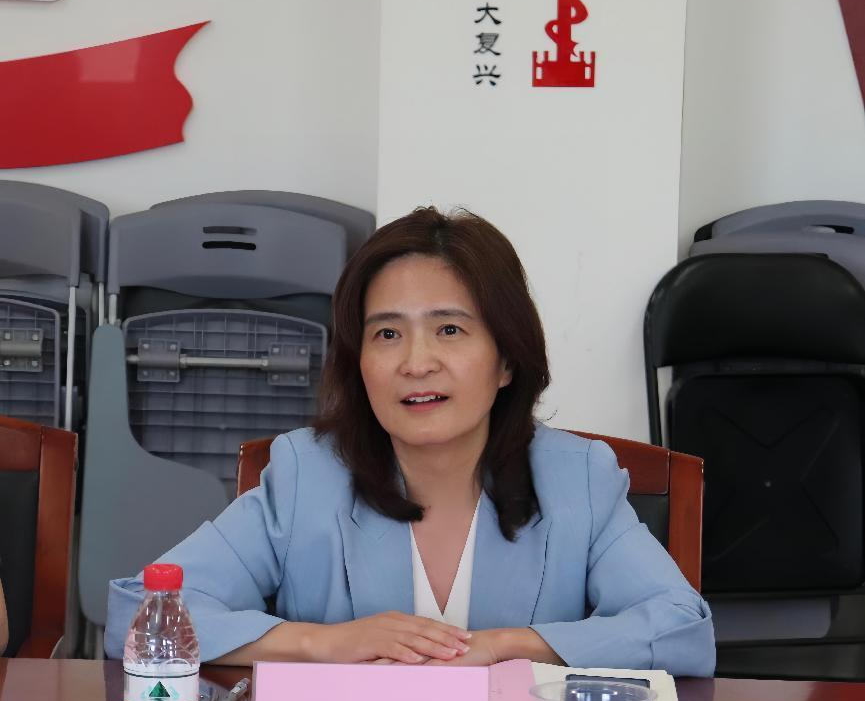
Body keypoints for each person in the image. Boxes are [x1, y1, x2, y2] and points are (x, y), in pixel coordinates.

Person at [105, 207, 715, 675]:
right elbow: (138, 615)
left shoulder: (576, 476)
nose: (416, 363)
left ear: (506, 359)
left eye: (449, 329)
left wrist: (511, 647)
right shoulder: (305, 474)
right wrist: (324, 643)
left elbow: (683, 628)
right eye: (388, 335)